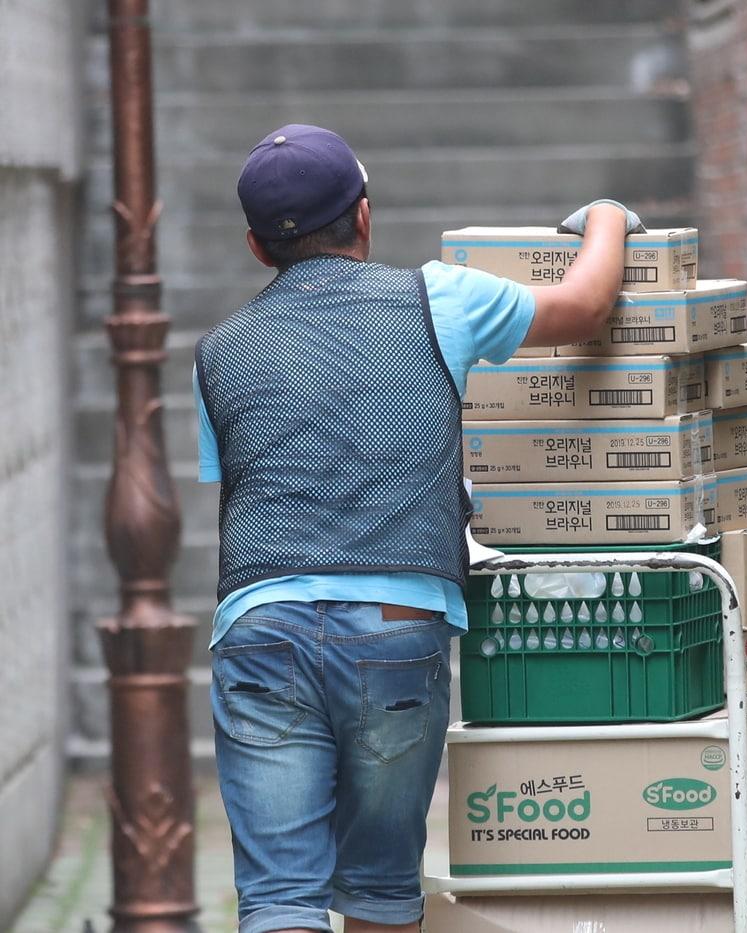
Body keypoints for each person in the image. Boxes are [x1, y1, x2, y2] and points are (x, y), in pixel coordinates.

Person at [194, 123, 640, 933]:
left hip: (260, 627)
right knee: (379, 890)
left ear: (257, 248)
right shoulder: (440, 297)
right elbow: (585, 305)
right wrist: (606, 216)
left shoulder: (218, 352)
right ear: (363, 216)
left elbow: (252, 484)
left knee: (277, 900)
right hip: (396, 627)